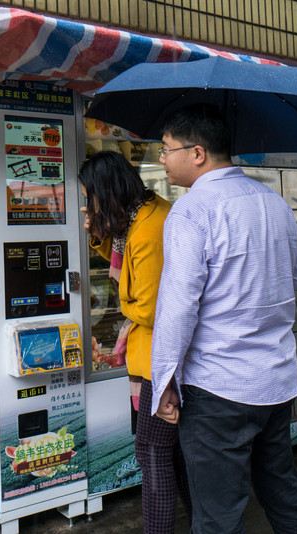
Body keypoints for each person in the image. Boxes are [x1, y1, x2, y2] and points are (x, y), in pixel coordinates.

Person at [150, 105, 297, 534]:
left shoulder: (191, 211)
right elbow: (294, 276)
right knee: (284, 493)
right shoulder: (274, 202)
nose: (161, 159)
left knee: (217, 516)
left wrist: (164, 380)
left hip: (218, 389)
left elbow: (177, 307)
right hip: (276, 382)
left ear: (198, 153)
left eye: (167, 149)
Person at [79, 151, 191, 533]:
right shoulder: (138, 216)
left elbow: (150, 309)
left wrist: (123, 308)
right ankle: (202, 523)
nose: (86, 203)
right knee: (170, 451)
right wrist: (97, 233)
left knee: (152, 450)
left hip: (160, 359)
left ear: (106, 193)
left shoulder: (147, 230)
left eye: (89, 196)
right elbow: (119, 253)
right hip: (154, 355)